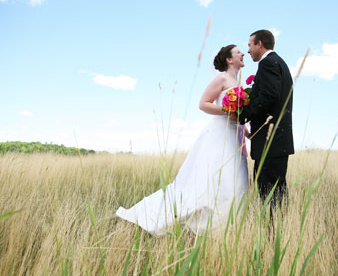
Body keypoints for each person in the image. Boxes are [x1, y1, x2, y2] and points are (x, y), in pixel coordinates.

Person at [116, 45, 249, 235]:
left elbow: (240, 115)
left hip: (235, 135)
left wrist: (246, 130)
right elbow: (203, 104)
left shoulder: (238, 81)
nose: (242, 53)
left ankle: (229, 228)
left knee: (238, 183)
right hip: (220, 135)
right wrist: (227, 110)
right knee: (219, 180)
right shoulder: (221, 78)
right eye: (238, 52)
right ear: (229, 59)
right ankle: (165, 218)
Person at [238, 30, 294, 208]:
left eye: (250, 45)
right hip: (278, 141)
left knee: (268, 192)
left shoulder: (268, 63)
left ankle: (271, 234)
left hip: (271, 142)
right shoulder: (278, 63)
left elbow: (269, 97)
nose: (248, 50)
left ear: (259, 44)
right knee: (276, 192)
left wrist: (243, 113)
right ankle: (278, 231)